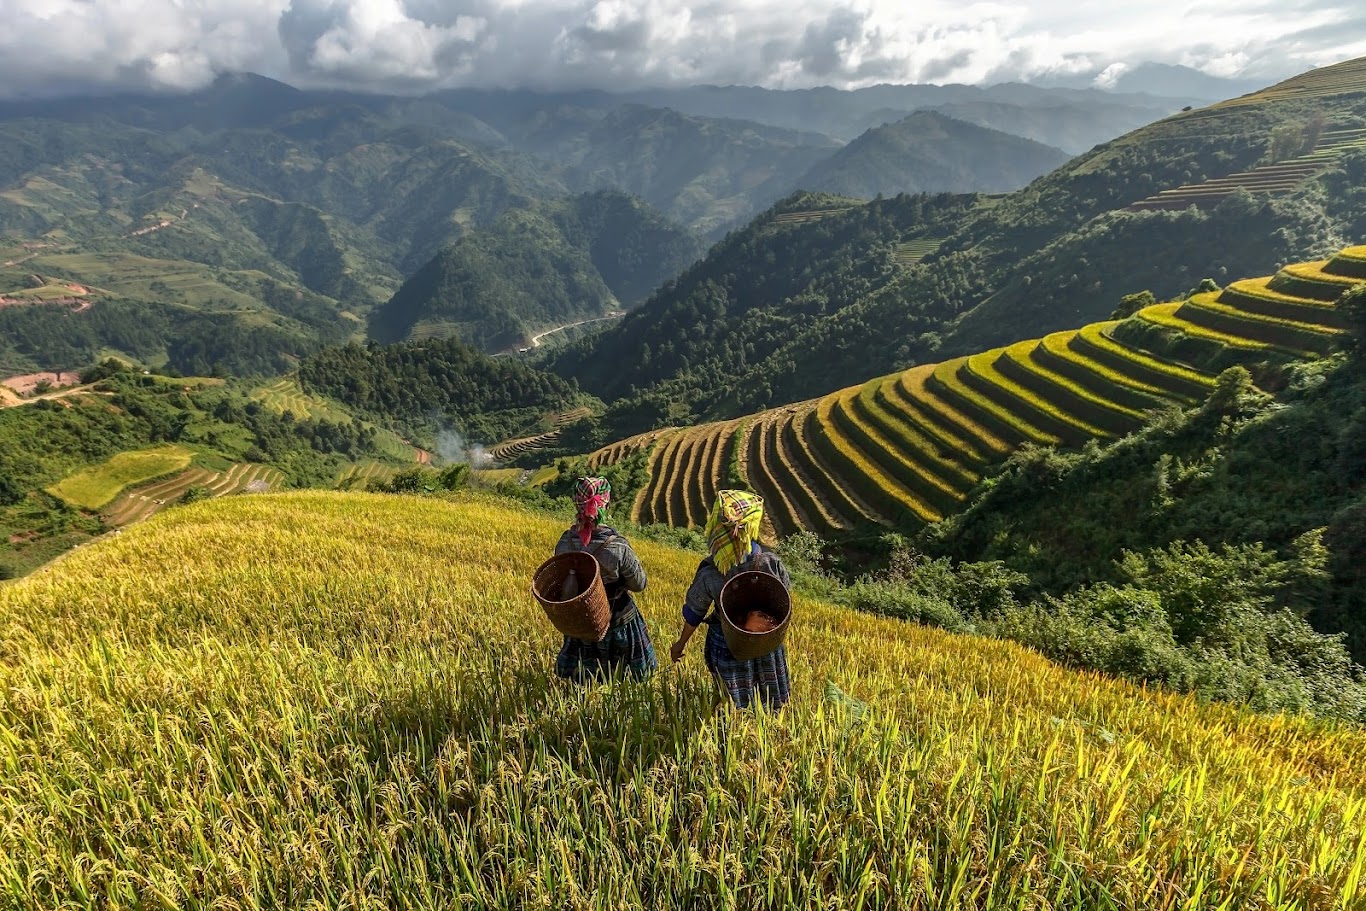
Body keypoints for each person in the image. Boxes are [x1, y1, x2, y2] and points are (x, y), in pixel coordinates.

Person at [669, 490, 791, 711]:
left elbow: (694, 613)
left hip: (727, 643)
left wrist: (680, 644)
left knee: (731, 703)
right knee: (769, 700)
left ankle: (731, 732)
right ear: (752, 527)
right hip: (765, 641)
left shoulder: (710, 573)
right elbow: (784, 602)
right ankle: (767, 734)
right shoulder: (770, 564)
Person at [552, 477, 657, 683]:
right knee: (626, 681)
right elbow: (639, 584)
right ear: (606, 505)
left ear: (577, 504)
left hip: (582, 621)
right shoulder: (617, 547)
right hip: (617, 620)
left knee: (583, 682)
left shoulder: (564, 543)